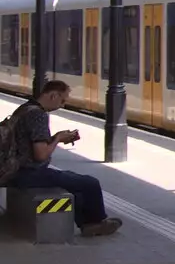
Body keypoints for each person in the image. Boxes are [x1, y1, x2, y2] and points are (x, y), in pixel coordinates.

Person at [9, 80, 121, 237]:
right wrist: (58, 139)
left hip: (16, 170)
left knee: (75, 186)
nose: (62, 105)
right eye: (62, 100)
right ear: (53, 95)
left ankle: (88, 224)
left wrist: (55, 137)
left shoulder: (25, 109)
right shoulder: (38, 115)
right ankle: (96, 223)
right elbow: (40, 155)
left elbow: (29, 144)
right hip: (28, 173)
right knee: (90, 183)